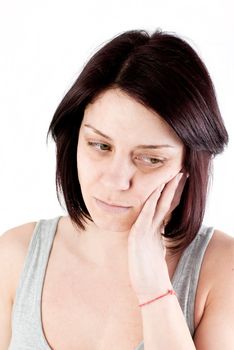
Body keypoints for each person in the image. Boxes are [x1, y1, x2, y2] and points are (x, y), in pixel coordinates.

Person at [0, 28, 233, 350]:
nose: (116, 181)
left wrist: (153, 286)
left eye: (150, 159)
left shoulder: (222, 269)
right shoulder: (14, 255)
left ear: (190, 166)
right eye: (99, 145)